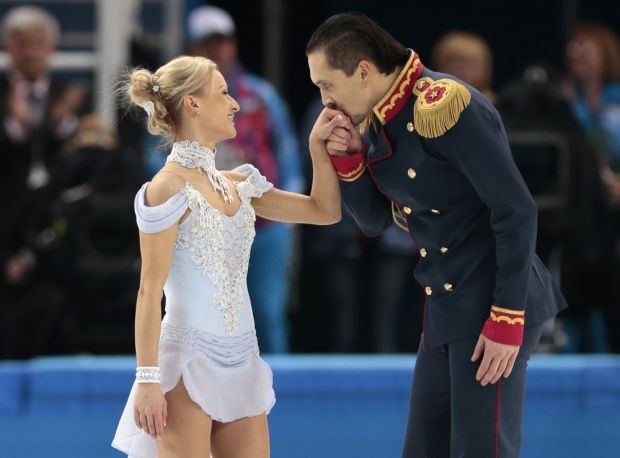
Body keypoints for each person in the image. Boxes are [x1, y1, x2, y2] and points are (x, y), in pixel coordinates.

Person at [306, 12, 567, 458]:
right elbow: (376, 221)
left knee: (481, 450)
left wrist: (506, 316)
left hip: (493, 301)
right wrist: (349, 160)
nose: (325, 100)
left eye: (327, 84)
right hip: (446, 305)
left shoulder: (444, 103)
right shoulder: (381, 117)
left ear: (364, 71)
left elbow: (516, 209)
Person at [111, 55, 341, 457]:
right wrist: (147, 380)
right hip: (185, 364)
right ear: (193, 104)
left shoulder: (241, 185)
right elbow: (149, 291)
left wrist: (317, 147)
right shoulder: (166, 189)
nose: (235, 103)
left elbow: (324, 211)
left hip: (242, 361)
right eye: (223, 92)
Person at [184, 6, 304, 353]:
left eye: (221, 42)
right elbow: (157, 160)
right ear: (191, 48)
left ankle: (275, 396)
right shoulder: (179, 103)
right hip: (207, 230)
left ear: (233, 45)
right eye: (206, 43)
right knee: (208, 319)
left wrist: (289, 215)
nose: (215, 51)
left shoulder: (261, 97)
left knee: (268, 315)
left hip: (264, 227)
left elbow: (288, 154)